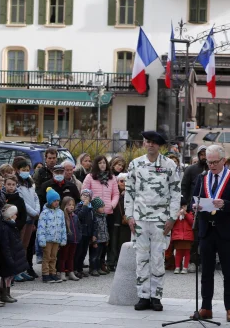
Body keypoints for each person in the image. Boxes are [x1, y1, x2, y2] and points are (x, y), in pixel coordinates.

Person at [125, 131, 180, 312]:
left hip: (160, 219)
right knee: (141, 258)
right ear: (144, 144)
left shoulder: (169, 165)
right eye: (147, 142)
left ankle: (156, 296)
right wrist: (129, 216)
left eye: (154, 143)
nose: (150, 145)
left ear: (159, 145)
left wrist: (172, 218)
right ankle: (143, 296)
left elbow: (175, 193)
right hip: (140, 218)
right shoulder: (136, 164)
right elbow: (130, 192)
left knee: (157, 258)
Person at [191, 145, 230, 323]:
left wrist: (225, 204)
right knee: (206, 271)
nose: (211, 165)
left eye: (214, 162)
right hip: (206, 229)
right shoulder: (202, 177)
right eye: (208, 162)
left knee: (228, 271)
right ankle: (206, 307)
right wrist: (194, 206)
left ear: (223, 161)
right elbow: (193, 198)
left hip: (225, 230)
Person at [82, 156, 119, 273]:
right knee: (94, 240)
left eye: (104, 163)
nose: (102, 165)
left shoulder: (111, 178)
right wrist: (90, 205)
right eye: (100, 163)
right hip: (94, 213)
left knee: (105, 239)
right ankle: (94, 265)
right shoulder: (90, 177)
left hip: (108, 212)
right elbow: (84, 192)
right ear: (96, 164)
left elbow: (116, 194)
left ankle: (102, 263)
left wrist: (111, 205)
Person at [13, 158, 40, 280]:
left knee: (25, 245)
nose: (26, 172)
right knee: (18, 246)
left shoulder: (30, 182)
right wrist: (33, 212)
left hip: (32, 218)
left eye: (28, 170)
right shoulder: (17, 184)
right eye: (23, 170)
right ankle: (16, 271)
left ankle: (23, 269)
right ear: (18, 170)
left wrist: (37, 211)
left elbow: (35, 198)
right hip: (24, 217)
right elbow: (22, 201)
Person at [0, 204, 28, 304]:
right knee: (6, 276)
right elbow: (5, 244)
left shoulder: (12, 226)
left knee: (10, 276)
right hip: (8, 255)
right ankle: (4, 293)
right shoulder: (6, 227)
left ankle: (8, 292)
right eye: (15, 214)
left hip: (13, 254)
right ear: (10, 215)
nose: (16, 216)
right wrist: (9, 258)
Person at [37, 187, 67, 283]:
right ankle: (46, 274)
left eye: (58, 200)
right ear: (50, 201)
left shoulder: (60, 213)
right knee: (47, 257)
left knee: (54, 257)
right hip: (47, 239)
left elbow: (63, 226)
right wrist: (41, 240)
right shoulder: (44, 213)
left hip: (57, 239)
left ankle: (53, 273)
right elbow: (41, 227)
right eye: (54, 201)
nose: (57, 202)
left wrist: (63, 238)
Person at [57, 196, 80, 281]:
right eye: (69, 204)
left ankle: (71, 272)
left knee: (71, 257)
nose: (71, 206)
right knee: (63, 257)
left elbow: (78, 227)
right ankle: (62, 272)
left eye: (73, 205)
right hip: (65, 240)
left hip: (74, 240)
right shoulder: (62, 216)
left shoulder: (75, 216)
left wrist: (78, 236)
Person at [74, 189, 95, 278]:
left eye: (88, 195)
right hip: (80, 233)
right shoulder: (79, 206)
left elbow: (94, 222)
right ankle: (75, 269)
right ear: (80, 196)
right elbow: (79, 216)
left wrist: (93, 234)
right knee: (78, 252)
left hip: (88, 233)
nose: (85, 197)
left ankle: (80, 269)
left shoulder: (91, 208)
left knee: (83, 252)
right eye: (84, 195)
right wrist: (84, 207)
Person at [171, 198, 194, 274]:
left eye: (185, 206)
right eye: (181, 207)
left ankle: (185, 267)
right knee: (178, 252)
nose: (183, 208)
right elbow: (172, 223)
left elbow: (192, 222)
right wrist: (177, 216)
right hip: (178, 236)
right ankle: (177, 267)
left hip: (187, 236)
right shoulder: (176, 215)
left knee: (187, 253)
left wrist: (186, 214)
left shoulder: (189, 214)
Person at [89, 197, 108, 277]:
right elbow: (94, 230)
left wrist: (107, 238)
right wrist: (94, 241)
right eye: (101, 207)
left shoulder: (104, 216)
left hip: (103, 239)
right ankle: (93, 269)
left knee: (100, 255)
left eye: (103, 206)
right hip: (97, 240)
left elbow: (105, 228)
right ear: (96, 208)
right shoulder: (94, 217)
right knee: (94, 256)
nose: (103, 208)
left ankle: (99, 268)